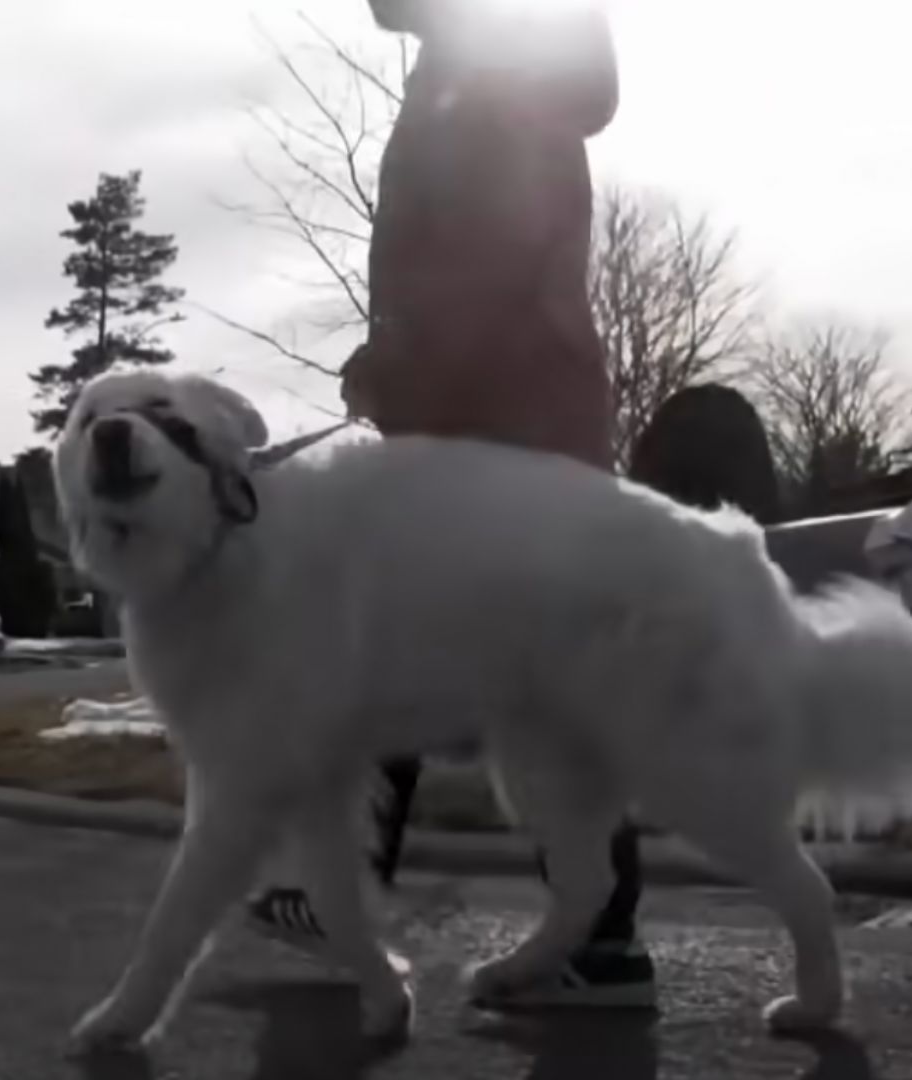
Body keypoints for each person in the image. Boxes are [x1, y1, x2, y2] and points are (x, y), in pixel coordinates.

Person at [244, 0, 654, 1009]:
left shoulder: (491, 77)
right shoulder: (495, 69)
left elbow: (482, 260)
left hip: (487, 428)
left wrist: (400, 367)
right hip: (517, 423)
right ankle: (594, 938)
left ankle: (378, 895)